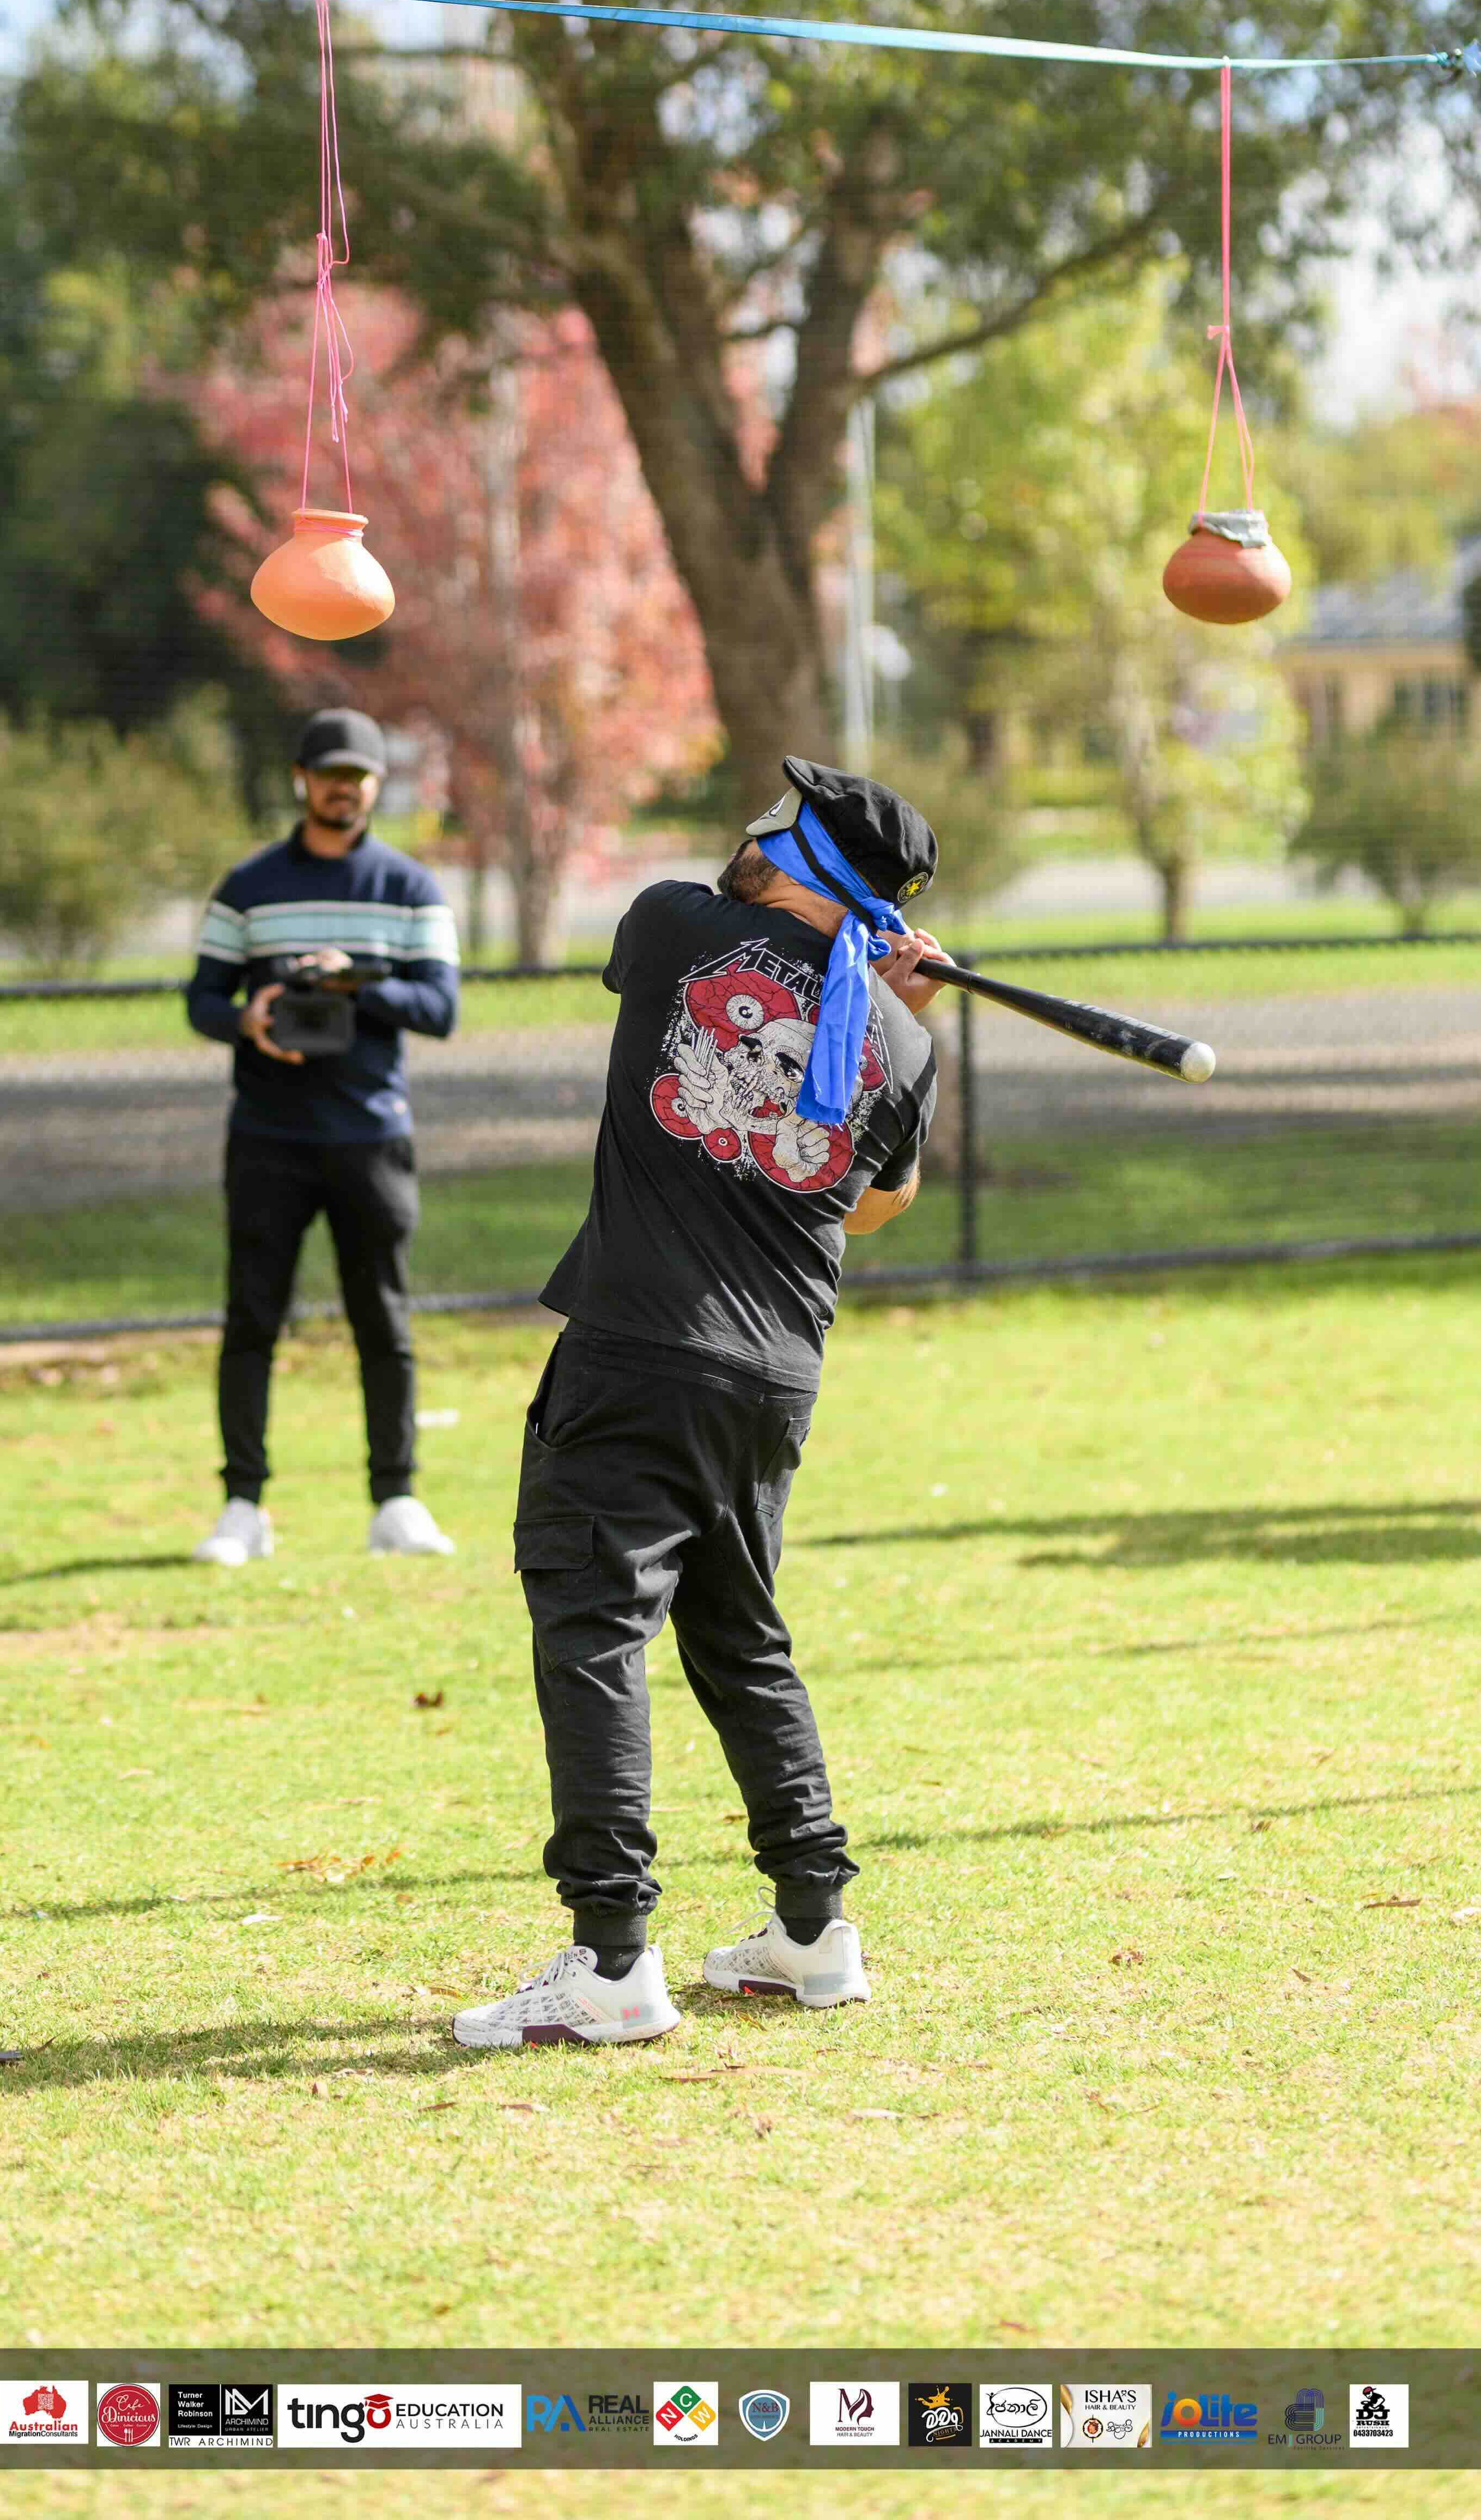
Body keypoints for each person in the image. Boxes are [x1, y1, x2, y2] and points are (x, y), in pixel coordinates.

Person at [454, 758, 948, 2050]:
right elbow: (870, 1205)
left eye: (773, 824)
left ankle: (611, 1960)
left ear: (804, 858)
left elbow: (713, 990)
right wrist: (874, 1004)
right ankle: (809, 1929)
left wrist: (846, 983)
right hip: (770, 1377)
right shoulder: (903, 1039)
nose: (749, 830)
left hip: (638, 1350)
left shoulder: (673, 925)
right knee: (739, 1639)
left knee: (592, 1626)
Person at [184, 707, 461, 1565]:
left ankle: (396, 1499)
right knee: (251, 1320)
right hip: (267, 1133)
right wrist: (251, 1017)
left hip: (370, 1136)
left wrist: (357, 983)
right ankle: (242, 1506)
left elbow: (442, 1009)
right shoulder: (248, 886)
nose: (344, 788)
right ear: (302, 780)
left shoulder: (411, 889)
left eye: (359, 775)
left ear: (377, 785)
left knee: (383, 1318)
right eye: (329, 773)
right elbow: (201, 999)